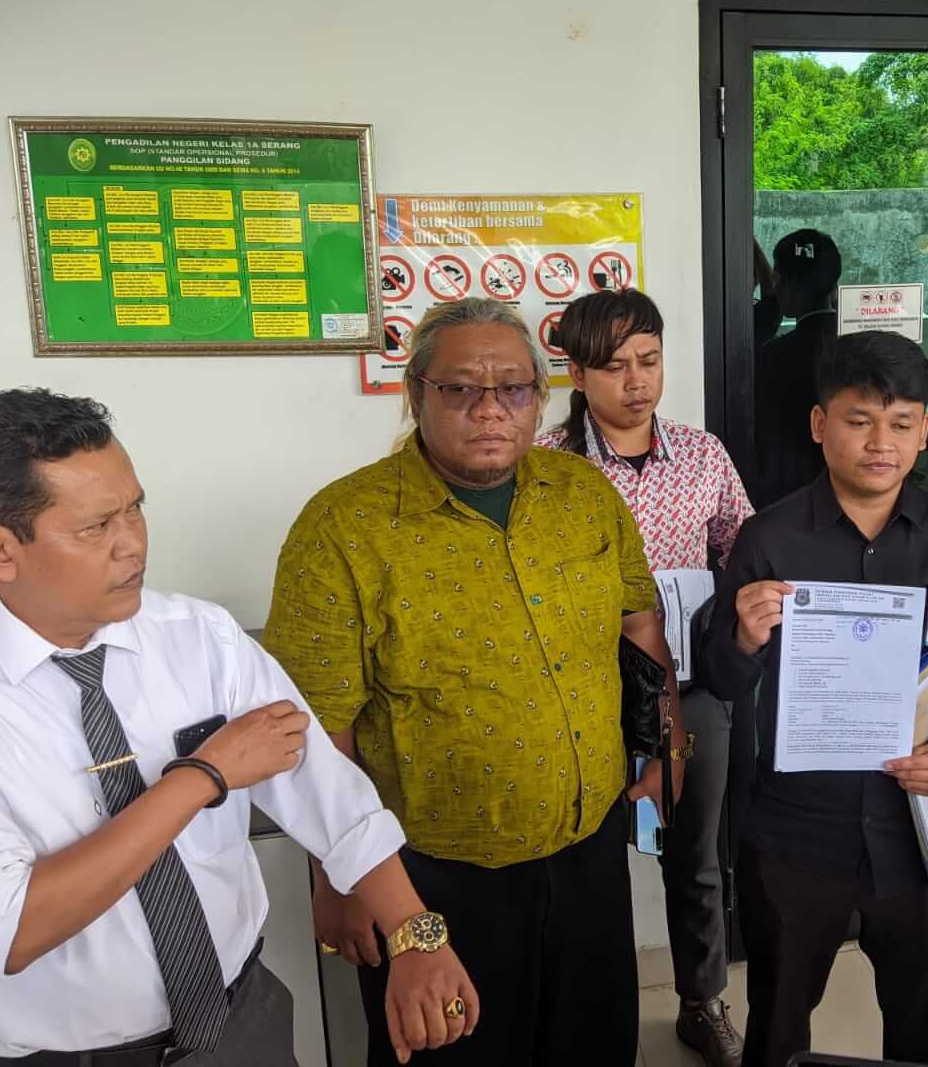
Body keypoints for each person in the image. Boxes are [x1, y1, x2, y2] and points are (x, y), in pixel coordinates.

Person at [0, 388, 476, 1067]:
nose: (133, 544)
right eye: (96, 528)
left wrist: (414, 934)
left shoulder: (200, 636)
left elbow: (326, 793)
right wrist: (203, 777)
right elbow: (1, 931)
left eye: (135, 509)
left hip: (241, 1023)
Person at [264, 298, 688, 1067]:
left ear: (541, 395)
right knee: (454, 1052)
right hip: (430, 877)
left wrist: (667, 746)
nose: (490, 409)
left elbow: (639, 627)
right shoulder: (343, 528)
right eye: (461, 388)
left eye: (514, 388)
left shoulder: (585, 494)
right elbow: (318, 730)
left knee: (593, 1045)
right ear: (416, 393)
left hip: (588, 850)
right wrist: (337, 878)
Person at [709, 330, 928, 1067]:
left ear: (924, 434)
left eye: (902, 423)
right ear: (820, 424)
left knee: (923, 1017)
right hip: (798, 827)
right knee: (778, 1020)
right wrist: (743, 639)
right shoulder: (769, 538)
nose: (882, 443)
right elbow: (723, 683)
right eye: (860, 421)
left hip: (922, 825)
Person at [538, 288, 754, 1067]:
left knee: (696, 859)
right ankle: (586, 1019)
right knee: (583, 862)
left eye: (650, 360)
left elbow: (741, 551)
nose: (637, 381)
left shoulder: (702, 455)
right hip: (582, 698)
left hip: (690, 690)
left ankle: (702, 1002)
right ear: (576, 372)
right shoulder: (545, 465)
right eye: (615, 366)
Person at [754, 228, 843, 507]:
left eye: (778, 278)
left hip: (790, 497)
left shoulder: (774, 357)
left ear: (786, 285)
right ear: (834, 286)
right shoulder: (856, 344)